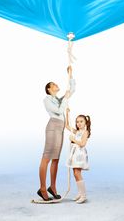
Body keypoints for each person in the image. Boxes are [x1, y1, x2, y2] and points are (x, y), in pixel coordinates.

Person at [37, 65, 76, 201]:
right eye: (53, 84)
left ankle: (52, 187)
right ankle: (42, 188)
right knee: (47, 158)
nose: (56, 85)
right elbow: (59, 111)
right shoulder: (47, 100)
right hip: (53, 127)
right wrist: (65, 99)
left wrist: (70, 75)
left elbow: (72, 90)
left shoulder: (59, 100)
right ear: (49, 89)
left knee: (56, 159)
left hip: (60, 128)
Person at [65, 108, 91, 204]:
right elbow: (67, 125)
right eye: (77, 122)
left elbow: (82, 143)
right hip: (74, 154)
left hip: (79, 154)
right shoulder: (77, 131)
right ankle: (80, 193)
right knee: (75, 173)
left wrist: (73, 139)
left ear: (85, 123)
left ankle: (83, 195)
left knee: (77, 173)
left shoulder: (85, 132)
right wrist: (67, 113)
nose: (79, 123)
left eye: (81, 121)